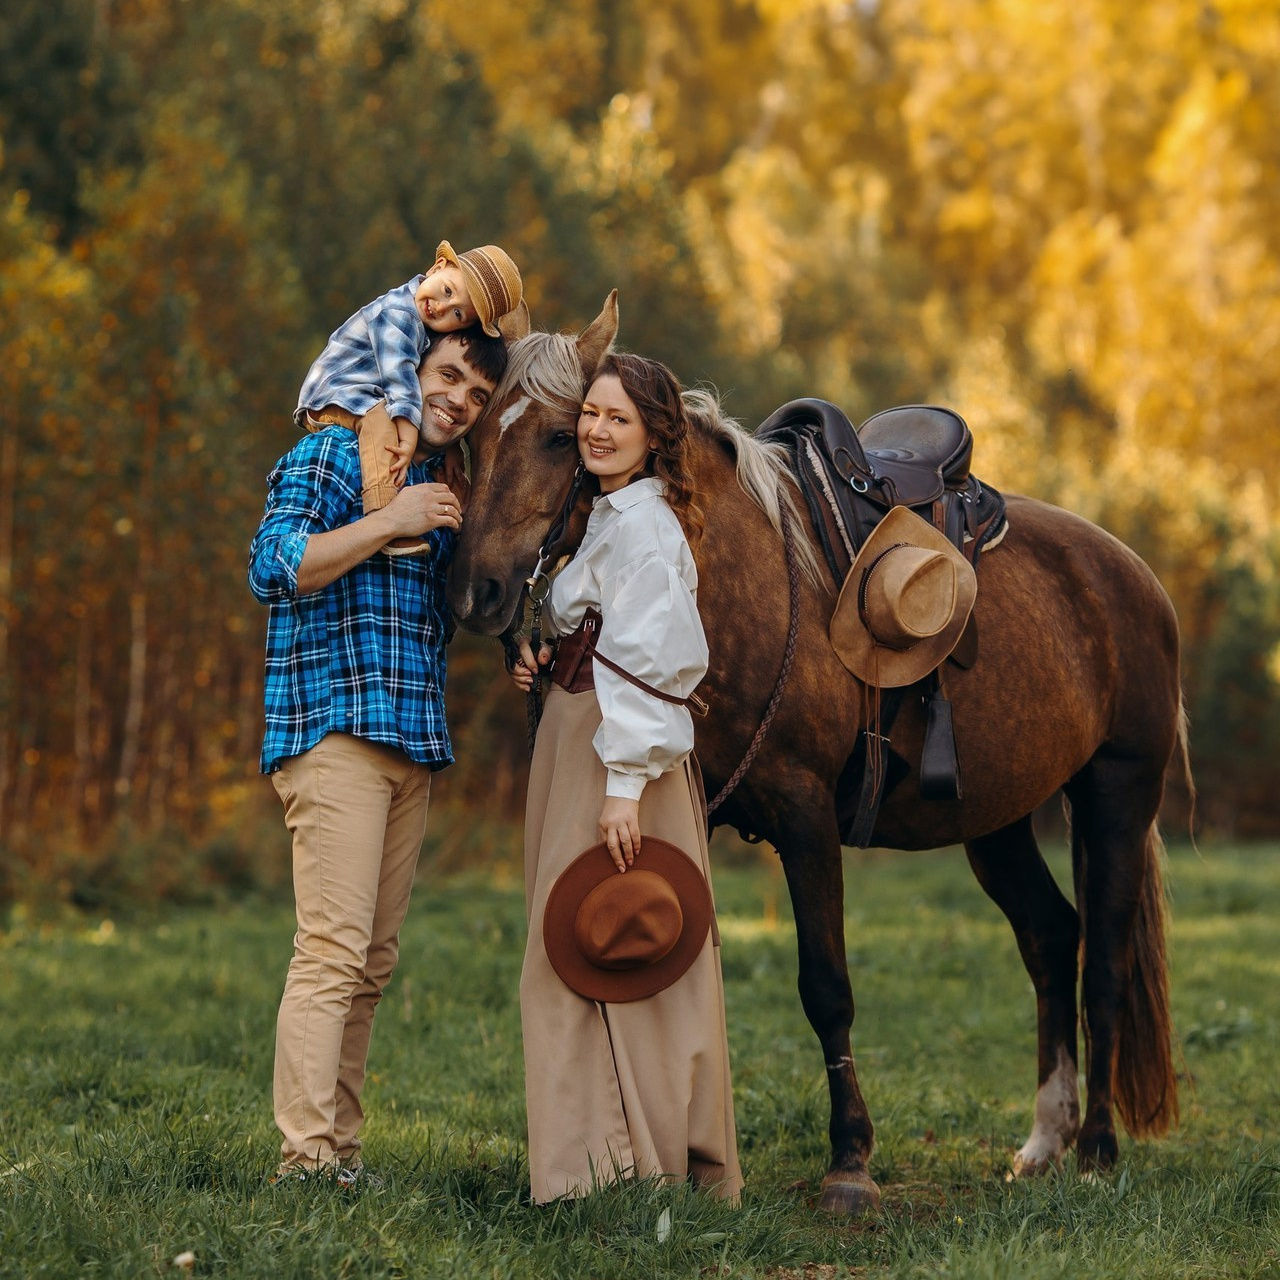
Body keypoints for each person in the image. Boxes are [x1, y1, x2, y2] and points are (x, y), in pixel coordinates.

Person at [249, 327, 509, 1185]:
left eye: (474, 394)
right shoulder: (330, 453)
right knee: (331, 950)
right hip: (332, 734)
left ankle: (341, 1153)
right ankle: (303, 1159)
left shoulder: (442, 486)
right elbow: (274, 565)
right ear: (413, 372)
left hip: (409, 745)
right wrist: (387, 520)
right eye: (448, 377)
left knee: (371, 965)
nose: (458, 401)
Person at [510, 352, 743, 1204]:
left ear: (653, 437)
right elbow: (601, 632)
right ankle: (601, 1162)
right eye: (593, 415)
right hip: (582, 742)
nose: (599, 431)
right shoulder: (609, 516)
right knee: (583, 945)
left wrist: (623, 784)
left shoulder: (645, 526)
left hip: (616, 756)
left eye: (619, 419)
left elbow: (657, 663)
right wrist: (548, 655)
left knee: (614, 945)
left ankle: (616, 1168)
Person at [295, 240, 528, 554]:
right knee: (379, 421)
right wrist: (407, 437)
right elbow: (399, 379)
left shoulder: (439, 483)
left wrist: (453, 452)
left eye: (458, 313)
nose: (443, 307)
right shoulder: (399, 314)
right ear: (438, 267)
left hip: (362, 395)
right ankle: (382, 512)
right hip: (336, 392)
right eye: (448, 375)